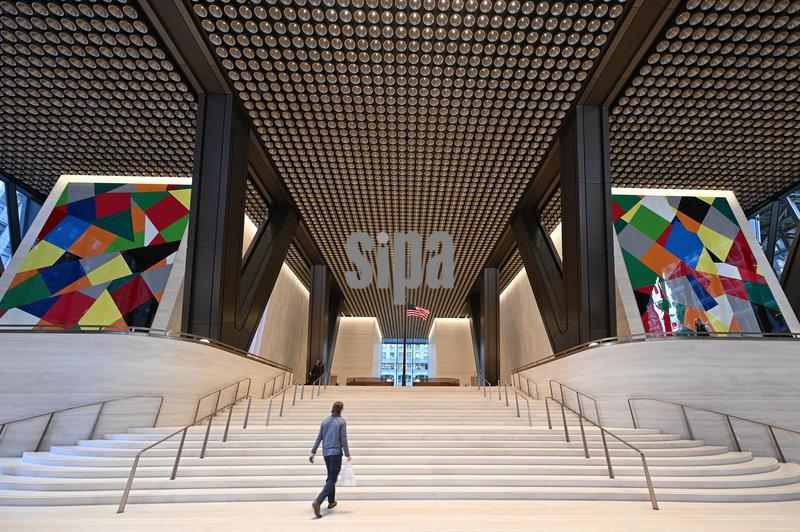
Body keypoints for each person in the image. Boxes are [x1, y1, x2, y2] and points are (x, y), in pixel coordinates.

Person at [309, 401, 351, 518]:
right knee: (332, 478)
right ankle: (318, 501)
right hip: (336, 453)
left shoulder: (325, 422)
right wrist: (347, 454)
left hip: (326, 453)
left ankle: (331, 501)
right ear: (341, 410)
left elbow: (319, 438)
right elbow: (343, 439)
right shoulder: (341, 422)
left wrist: (313, 452)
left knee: (330, 476)